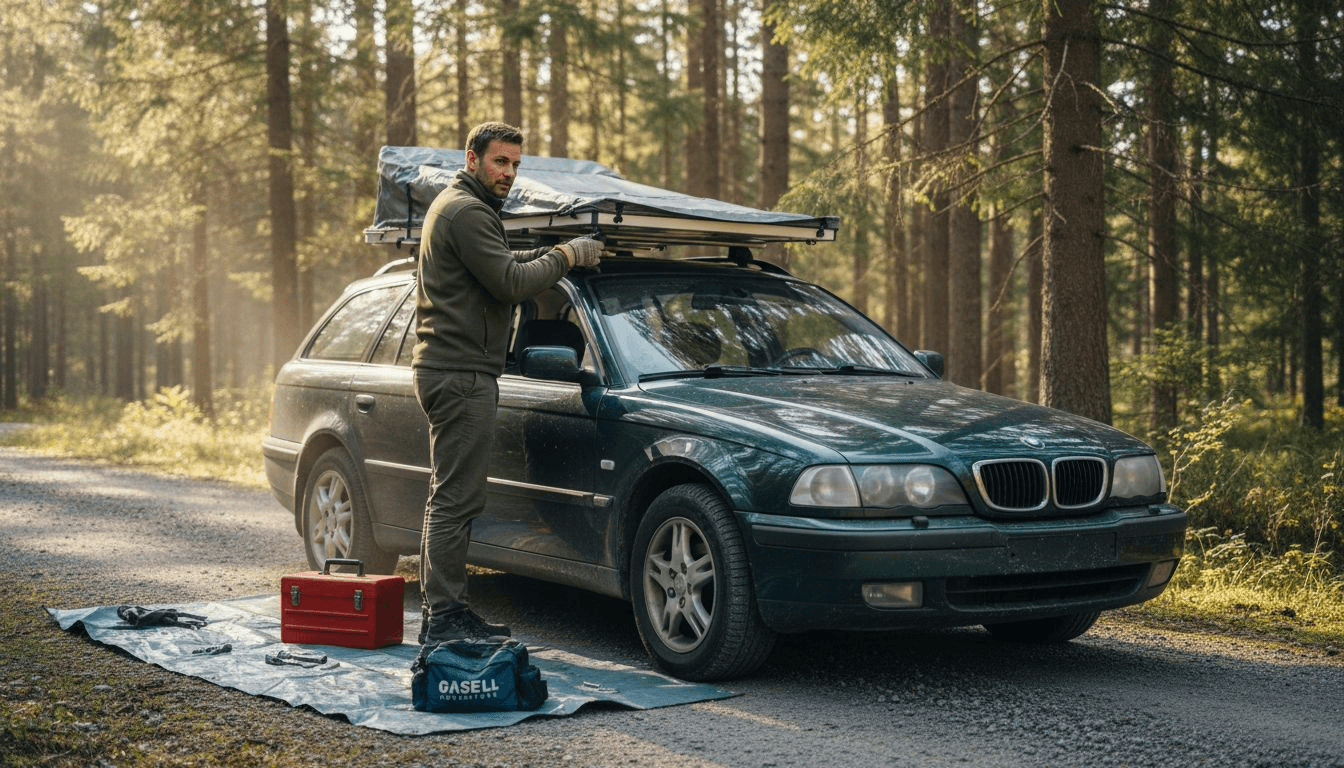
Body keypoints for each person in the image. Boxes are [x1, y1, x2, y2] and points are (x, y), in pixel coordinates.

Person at [412, 122, 602, 644]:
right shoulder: (468, 211)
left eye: (516, 165)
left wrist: (550, 255)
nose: (509, 174)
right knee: (454, 499)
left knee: (452, 496)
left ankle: (446, 612)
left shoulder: (460, 208)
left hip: (456, 369)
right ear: (471, 159)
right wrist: (567, 256)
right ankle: (445, 620)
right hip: (459, 373)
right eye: (500, 162)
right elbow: (510, 282)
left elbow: (500, 267)